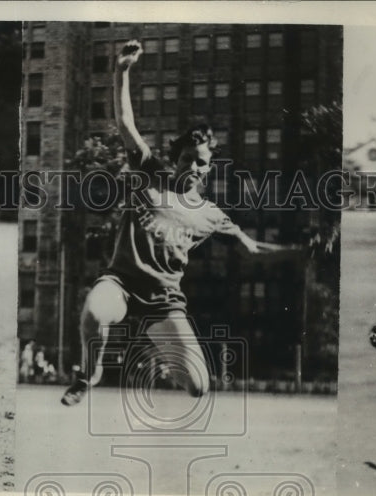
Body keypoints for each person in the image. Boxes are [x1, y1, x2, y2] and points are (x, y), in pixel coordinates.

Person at [61, 40, 289, 406]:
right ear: (176, 158)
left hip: (163, 302)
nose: (193, 166)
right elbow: (125, 123)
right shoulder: (151, 173)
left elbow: (253, 248)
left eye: (201, 162)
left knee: (198, 386)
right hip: (121, 282)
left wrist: (301, 251)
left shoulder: (211, 214)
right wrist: (121, 70)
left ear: (208, 169)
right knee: (93, 313)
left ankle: (162, 351)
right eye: (187, 158)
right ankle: (90, 373)